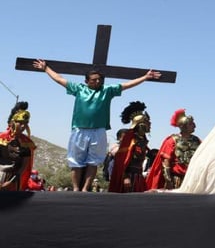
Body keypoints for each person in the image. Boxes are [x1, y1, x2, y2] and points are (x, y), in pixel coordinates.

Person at [32, 59, 161, 191]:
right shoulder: (78, 89)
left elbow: (127, 85)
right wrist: (46, 68)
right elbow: (59, 79)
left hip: (99, 130)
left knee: (93, 161)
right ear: (86, 81)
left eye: (99, 79)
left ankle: (85, 189)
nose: (97, 82)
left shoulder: (107, 91)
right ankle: (76, 188)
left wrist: (145, 77)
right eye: (93, 80)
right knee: (76, 161)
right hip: (79, 129)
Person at [146, 109, 201, 190]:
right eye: (191, 124)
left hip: (193, 180)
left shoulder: (197, 140)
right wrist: (168, 181)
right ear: (184, 126)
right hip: (176, 180)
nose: (194, 125)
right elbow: (166, 162)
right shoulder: (171, 141)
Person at [108, 101, 151, 193]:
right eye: (147, 122)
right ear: (140, 124)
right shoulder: (130, 140)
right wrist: (126, 177)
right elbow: (122, 161)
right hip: (129, 178)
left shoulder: (142, 140)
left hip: (139, 177)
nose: (149, 124)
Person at [0, 102, 37, 192]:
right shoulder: (1, 139)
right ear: (13, 122)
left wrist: (11, 182)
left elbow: (23, 167)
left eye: (25, 123)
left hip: (13, 181)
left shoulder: (26, 143)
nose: (23, 126)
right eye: (20, 123)